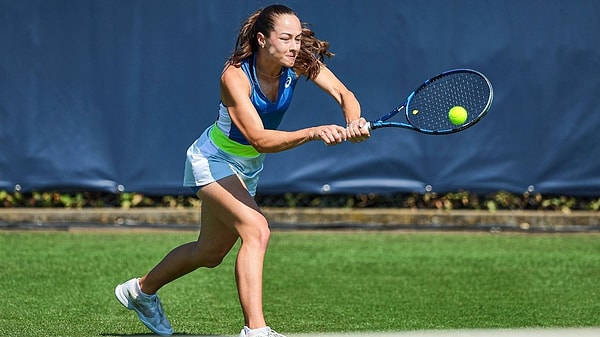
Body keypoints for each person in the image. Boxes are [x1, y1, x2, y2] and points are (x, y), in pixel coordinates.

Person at [115, 4, 370, 337]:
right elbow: (260, 139)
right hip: (213, 159)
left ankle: (140, 291)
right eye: (285, 38)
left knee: (209, 253)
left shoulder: (298, 62)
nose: (294, 46)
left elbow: (343, 93)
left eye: (297, 38)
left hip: (246, 168)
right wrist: (314, 132)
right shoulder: (234, 76)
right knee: (257, 230)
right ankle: (256, 330)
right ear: (263, 39)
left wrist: (354, 122)